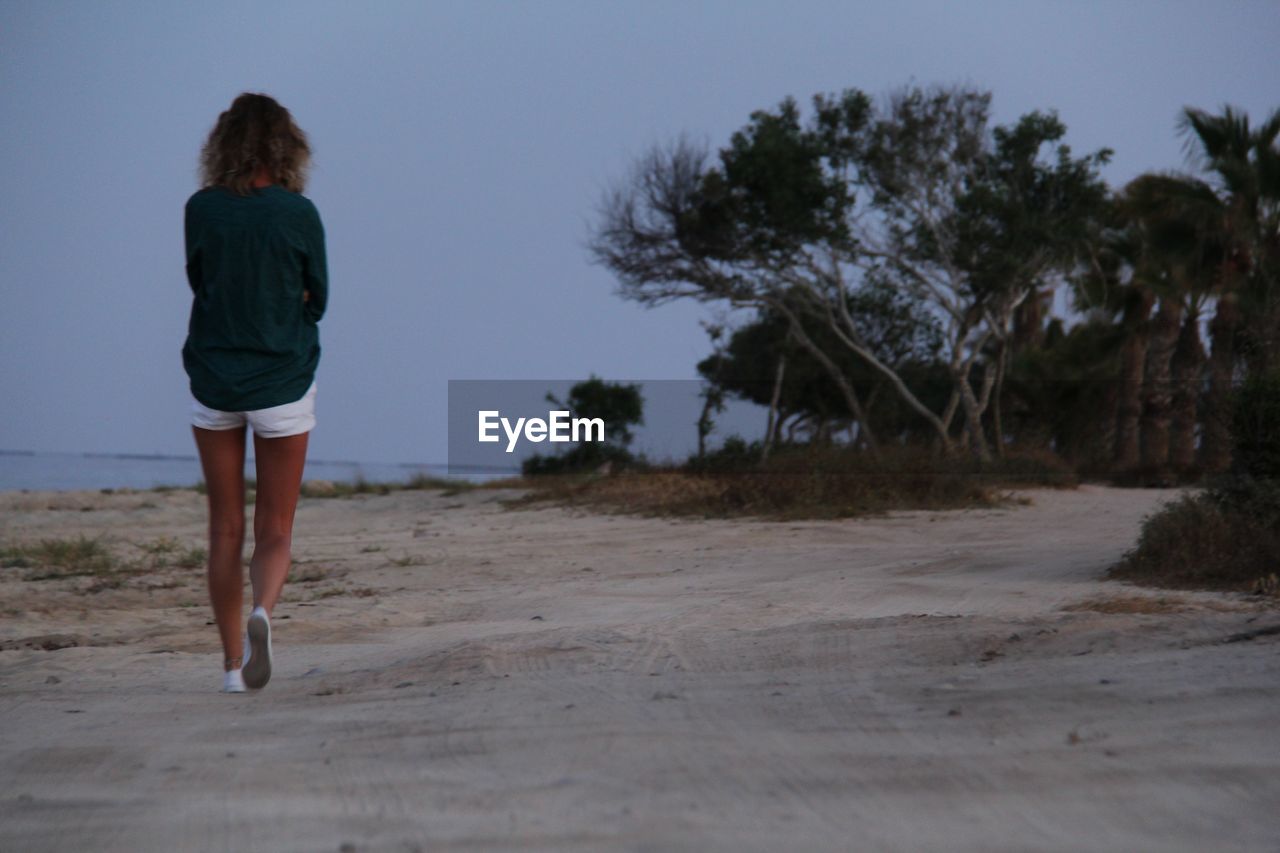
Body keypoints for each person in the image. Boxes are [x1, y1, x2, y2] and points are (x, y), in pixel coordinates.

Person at [183, 92, 328, 693]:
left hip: (215, 378)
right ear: (285, 147)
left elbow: (198, 279)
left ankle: (229, 667)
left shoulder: (201, 210)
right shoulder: (298, 213)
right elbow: (317, 298)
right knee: (274, 528)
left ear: (225, 147)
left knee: (223, 527)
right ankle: (263, 612)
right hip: (283, 381)